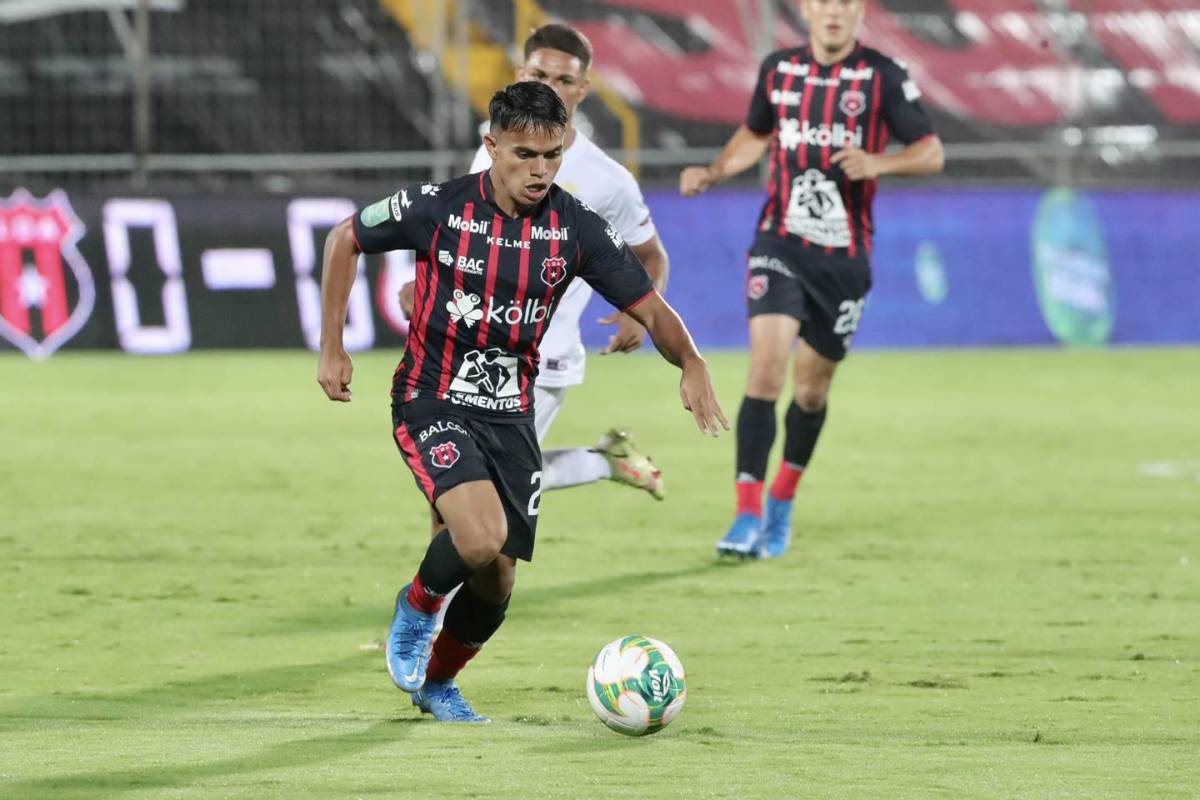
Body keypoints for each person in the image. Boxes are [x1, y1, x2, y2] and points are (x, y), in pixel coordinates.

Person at [318, 82, 727, 723]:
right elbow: (344, 237)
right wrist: (332, 348)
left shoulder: (576, 228)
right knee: (479, 538)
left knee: (498, 580)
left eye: (552, 155)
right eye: (523, 154)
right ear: (491, 148)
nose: (540, 169)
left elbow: (650, 306)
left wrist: (692, 361)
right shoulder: (439, 207)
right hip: (431, 397)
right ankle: (418, 605)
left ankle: (437, 684)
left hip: (510, 412)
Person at [679, 0, 944, 559]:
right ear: (805, 9)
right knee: (766, 371)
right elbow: (755, 133)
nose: (832, 12)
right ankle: (746, 513)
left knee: (811, 390)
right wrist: (714, 170)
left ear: (858, 11)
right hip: (779, 244)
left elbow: (930, 152)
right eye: (822, 1)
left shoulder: (882, 75)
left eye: (844, 2)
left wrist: (880, 163)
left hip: (843, 260)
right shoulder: (779, 69)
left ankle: (781, 502)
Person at [402, 23, 671, 500]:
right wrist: (421, 278)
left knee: (482, 489)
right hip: (471, 345)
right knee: (463, 483)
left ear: (583, 90)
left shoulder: (608, 181)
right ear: (520, 73)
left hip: (543, 358)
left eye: (565, 80)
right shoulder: (492, 149)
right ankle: (603, 461)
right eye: (539, 74)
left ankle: (598, 466)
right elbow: (460, 231)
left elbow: (650, 255)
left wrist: (638, 312)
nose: (550, 88)